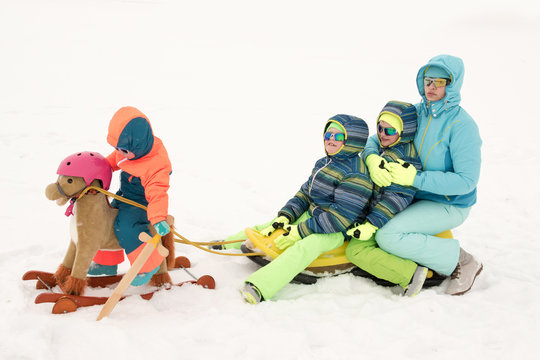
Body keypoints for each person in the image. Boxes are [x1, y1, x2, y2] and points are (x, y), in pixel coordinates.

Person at [362, 54, 483, 295]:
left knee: (388, 235)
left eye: (440, 82)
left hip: (448, 202)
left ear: (453, 83)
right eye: (428, 81)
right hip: (411, 195)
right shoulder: (414, 113)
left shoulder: (462, 125)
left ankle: (462, 260)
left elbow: (467, 181)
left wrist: (415, 179)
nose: (431, 87)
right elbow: (376, 139)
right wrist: (372, 158)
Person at [240, 114, 373, 303]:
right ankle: (227, 243)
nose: (331, 140)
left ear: (352, 141)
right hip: (315, 215)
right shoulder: (324, 163)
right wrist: (286, 215)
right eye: (328, 135)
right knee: (272, 224)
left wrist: (301, 231)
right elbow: (304, 194)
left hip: (337, 229)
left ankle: (259, 286)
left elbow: (339, 218)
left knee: (306, 247)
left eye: (339, 136)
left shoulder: (356, 175)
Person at [345, 100, 428, 296]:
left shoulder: (404, 161)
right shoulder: (389, 148)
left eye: (389, 131)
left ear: (404, 132)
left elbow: (396, 198)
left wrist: (371, 225)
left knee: (355, 251)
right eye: (380, 128)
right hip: (368, 208)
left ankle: (409, 274)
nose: (382, 134)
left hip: (383, 217)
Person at [104, 106, 173, 286]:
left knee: (126, 226)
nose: (119, 153)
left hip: (142, 203)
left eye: (123, 150)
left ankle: (146, 265)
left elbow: (157, 193)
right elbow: (114, 159)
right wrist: (100, 167)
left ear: (138, 143)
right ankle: (106, 261)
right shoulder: (129, 150)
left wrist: (157, 218)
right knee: (105, 217)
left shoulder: (156, 165)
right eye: (117, 148)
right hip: (125, 195)